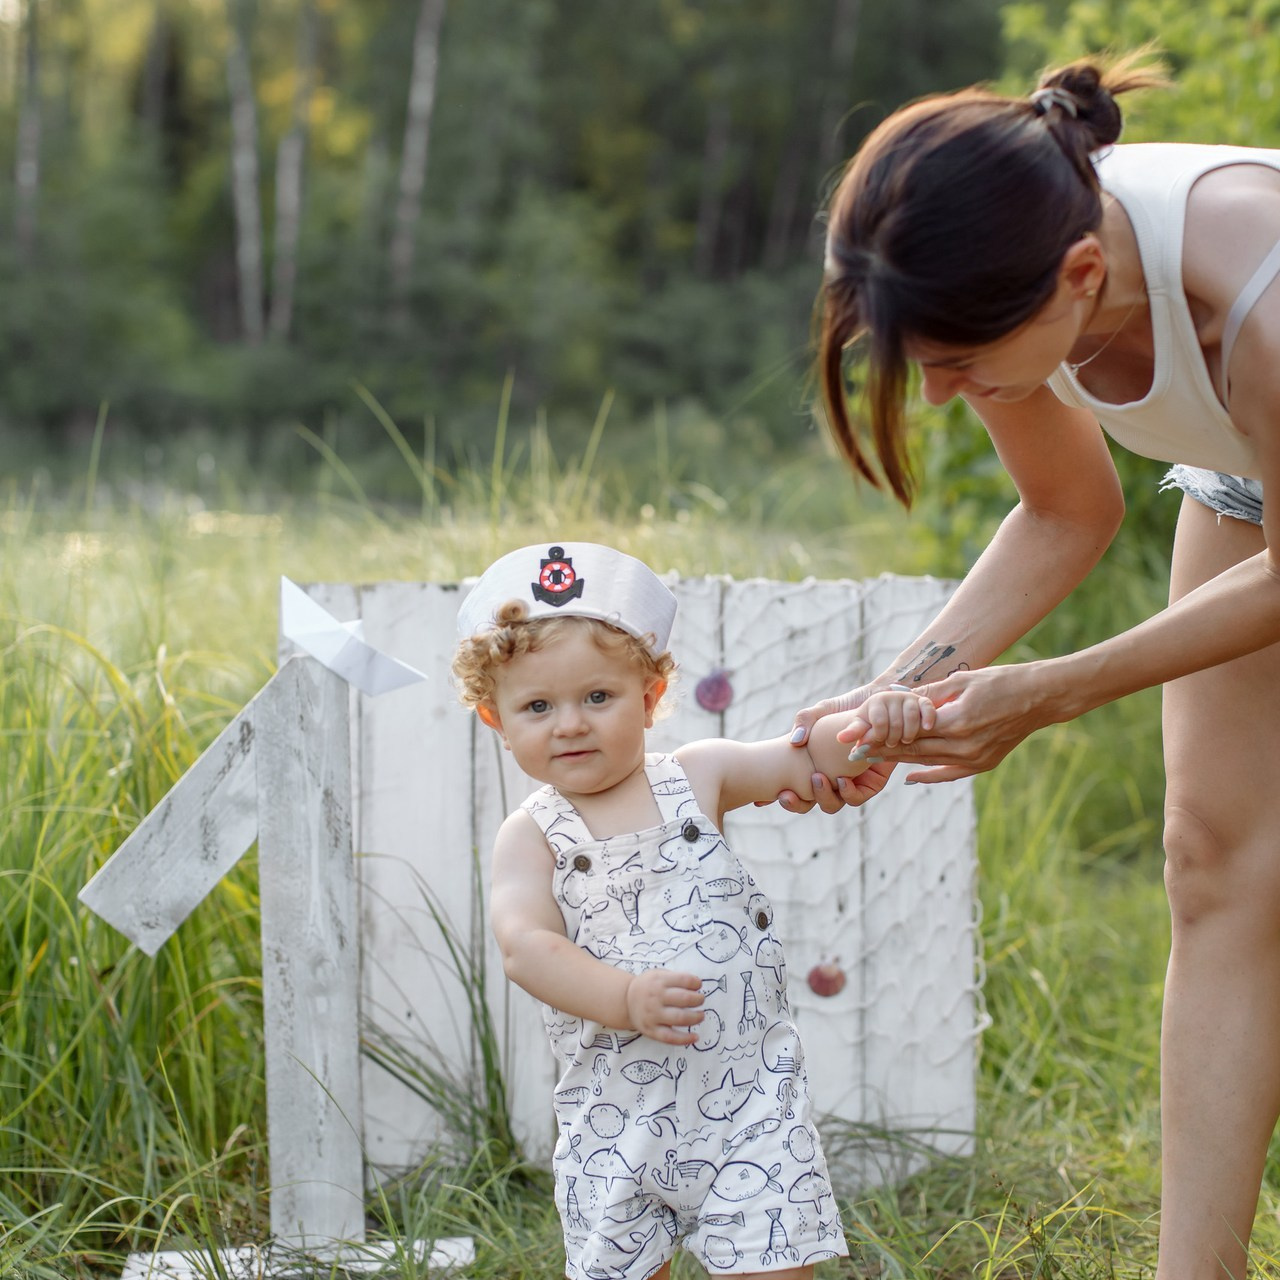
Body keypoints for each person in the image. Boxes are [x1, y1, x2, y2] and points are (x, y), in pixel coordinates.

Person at [785, 48, 1280, 1280]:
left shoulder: (1258, 289)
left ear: (1079, 277)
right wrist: (895, 691)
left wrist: (1049, 691)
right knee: (1212, 862)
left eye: (953, 363)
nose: (943, 395)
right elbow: (1065, 508)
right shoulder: (1005, 265)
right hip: (1247, 467)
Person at [453, 542, 922, 1279]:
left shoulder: (699, 777)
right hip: (615, 1117)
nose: (570, 724)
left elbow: (803, 758)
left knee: (773, 1264)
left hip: (747, 1107)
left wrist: (870, 722)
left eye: (597, 698)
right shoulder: (533, 836)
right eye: (537, 707)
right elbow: (525, 946)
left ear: (647, 698)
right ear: (495, 719)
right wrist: (624, 997)